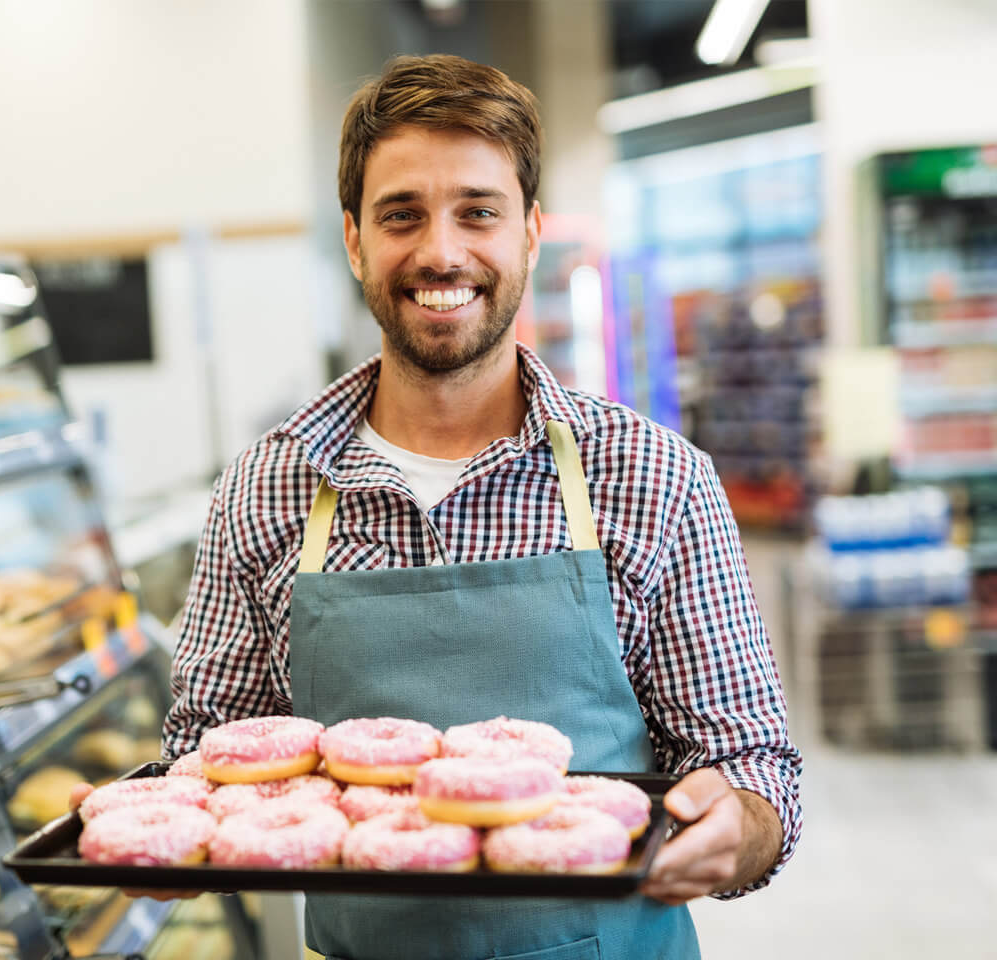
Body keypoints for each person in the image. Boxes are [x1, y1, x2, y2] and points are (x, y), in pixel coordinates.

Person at [72, 54, 801, 959]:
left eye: (479, 212)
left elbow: (753, 768)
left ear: (531, 233)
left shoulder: (655, 478)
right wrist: (151, 818)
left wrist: (734, 827)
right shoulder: (263, 488)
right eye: (402, 215)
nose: (442, 251)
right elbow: (214, 761)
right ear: (353, 240)